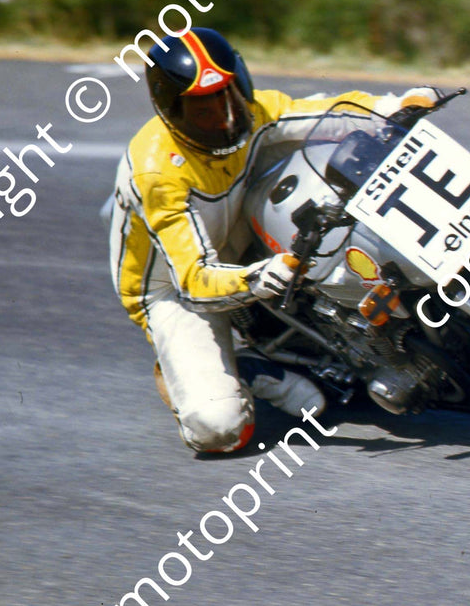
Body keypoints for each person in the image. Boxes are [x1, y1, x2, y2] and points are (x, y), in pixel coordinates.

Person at [107, 26, 437, 453]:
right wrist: (260, 277)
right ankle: (241, 370)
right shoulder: (157, 172)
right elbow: (192, 279)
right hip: (174, 286)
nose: (223, 119)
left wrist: (395, 106)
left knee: (314, 151)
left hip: (234, 229)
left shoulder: (252, 112)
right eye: (202, 111)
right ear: (171, 113)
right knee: (218, 429)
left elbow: (325, 114)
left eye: (228, 98)